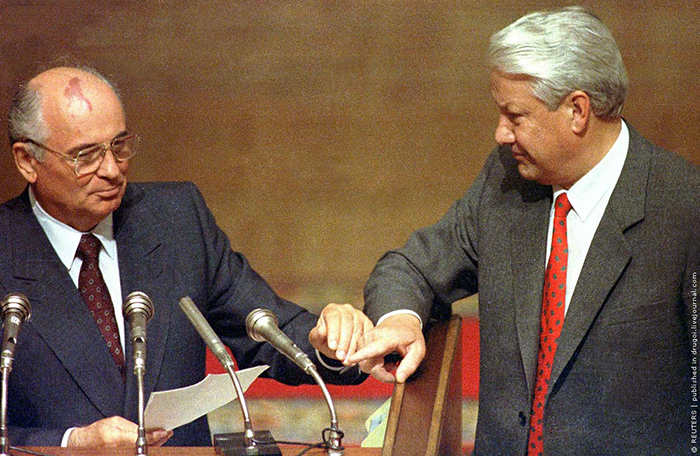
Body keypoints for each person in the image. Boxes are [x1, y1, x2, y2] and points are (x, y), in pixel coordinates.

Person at [349, 6, 699, 455]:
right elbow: (410, 266)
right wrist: (400, 318)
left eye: (515, 116)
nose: (500, 134)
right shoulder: (507, 181)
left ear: (577, 110)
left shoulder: (685, 208)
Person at [1, 64, 371, 448]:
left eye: (119, 146)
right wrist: (71, 444)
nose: (112, 170)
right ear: (28, 160)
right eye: (86, 156)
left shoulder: (175, 219)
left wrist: (327, 344)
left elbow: (265, 328)